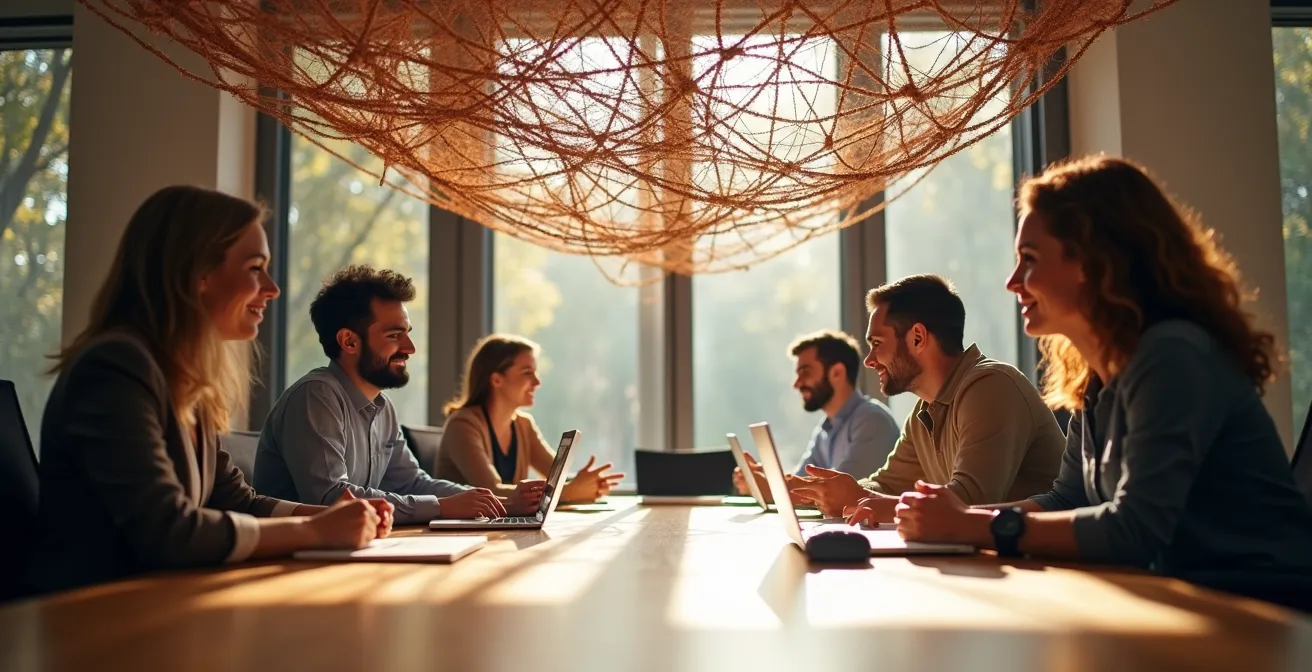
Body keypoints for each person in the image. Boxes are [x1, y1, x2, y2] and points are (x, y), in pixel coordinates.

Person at [864, 156, 1312, 576]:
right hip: (1188, 605)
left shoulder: (1172, 356)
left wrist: (971, 526)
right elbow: (1067, 498)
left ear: (1093, 262)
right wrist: (960, 519)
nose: (1012, 281)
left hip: (1265, 614)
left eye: (1031, 260)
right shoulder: (1097, 378)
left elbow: (1133, 529)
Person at [26, 186, 390, 595]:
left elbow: (238, 501)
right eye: (256, 268)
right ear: (197, 273)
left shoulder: (181, 377)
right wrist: (312, 530)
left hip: (159, 606)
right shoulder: (114, 367)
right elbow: (167, 530)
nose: (272, 288)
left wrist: (336, 515)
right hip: (94, 626)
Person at [767, 274, 1065, 521]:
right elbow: (885, 483)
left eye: (877, 343)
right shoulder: (926, 411)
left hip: (1054, 572)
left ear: (918, 338)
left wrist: (861, 498)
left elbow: (967, 504)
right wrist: (823, 491)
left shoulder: (991, 386)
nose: (869, 360)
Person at [254, 266, 529, 524]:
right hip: (291, 563)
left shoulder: (382, 406)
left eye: (407, 333)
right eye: (394, 335)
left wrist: (498, 501)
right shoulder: (315, 396)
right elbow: (332, 499)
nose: (410, 348)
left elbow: (412, 482)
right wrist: (443, 507)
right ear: (349, 341)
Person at [434, 334, 623, 503]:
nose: (537, 381)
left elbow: (556, 478)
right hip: (465, 535)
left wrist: (587, 485)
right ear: (497, 380)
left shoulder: (523, 425)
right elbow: (491, 491)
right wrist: (568, 492)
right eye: (527, 372)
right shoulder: (462, 425)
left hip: (504, 529)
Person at [733, 330, 899, 502]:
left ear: (837, 373)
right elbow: (803, 482)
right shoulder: (825, 430)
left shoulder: (872, 421)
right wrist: (763, 481)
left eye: (805, 372)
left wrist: (770, 488)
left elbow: (838, 494)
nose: (797, 384)